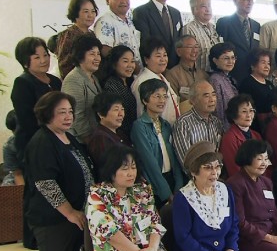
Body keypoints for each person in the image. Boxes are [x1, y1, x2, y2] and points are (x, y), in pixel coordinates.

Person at [86, 145, 193, 251]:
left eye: (133, 167)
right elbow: (110, 234)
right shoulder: (97, 196)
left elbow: (155, 222)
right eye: (125, 169)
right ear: (111, 171)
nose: (131, 173)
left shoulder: (142, 191)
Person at [24, 91, 95, 251]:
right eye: (61, 112)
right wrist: (70, 212)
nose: (68, 117)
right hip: (54, 221)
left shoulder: (67, 137)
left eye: (70, 112)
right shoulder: (42, 142)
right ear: (47, 114)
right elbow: (46, 184)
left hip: (75, 219)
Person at [172, 142, 258, 251]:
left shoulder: (224, 190)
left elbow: (233, 224)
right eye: (208, 167)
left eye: (217, 166)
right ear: (194, 171)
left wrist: (231, 248)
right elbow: (183, 237)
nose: (215, 172)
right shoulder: (183, 198)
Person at [131, 79, 185, 208]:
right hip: (154, 185)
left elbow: (175, 155)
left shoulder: (166, 125)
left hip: (171, 178)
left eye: (165, 96)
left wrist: (179, 184)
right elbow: (149, 162)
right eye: (157, 96)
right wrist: (166, 193)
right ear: (145, 100)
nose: (162, 100)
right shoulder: (139, 126)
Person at [11, 37, 62, 162]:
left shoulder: (55, 81)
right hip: (35, 144)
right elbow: (27, 120)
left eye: (45, 55)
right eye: (37, 57)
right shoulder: (22, 83)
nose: (44, 60)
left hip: (58, 138)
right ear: (25, 61)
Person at [133, 0, 183, 68]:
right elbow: (145, 42)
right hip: (154, 66)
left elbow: (179, 40)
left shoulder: (176, 13)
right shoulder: (141, 12)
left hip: (175, 67)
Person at [172, 80, 224, 172]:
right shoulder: (183, 123)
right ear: (192, 100)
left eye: (213, 94)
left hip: (215, 177)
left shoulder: (217, 122)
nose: (212, 99)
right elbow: (186, 162)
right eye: (206, 96)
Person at [61, 34, 103, 144]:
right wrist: (90, 140)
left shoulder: (94, 77)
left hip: (95, 136)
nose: (97, 58)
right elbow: (76, 115)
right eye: (92, 54)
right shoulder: (74, 79)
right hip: (80, 140)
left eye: (98, 54)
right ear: (80, 56)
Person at [131, 37, 180, 125]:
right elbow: (143, 113)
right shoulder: (143, 81)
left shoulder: (161, 76)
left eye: (165, 55)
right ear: (146, 59)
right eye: (158, 56)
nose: (163, 59)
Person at [216, 0, 261, 83]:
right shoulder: (224, 22)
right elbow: (220, 49)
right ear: (235, 1)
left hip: (253, 74)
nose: (250, 3)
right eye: (246, 0)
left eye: (251, 0)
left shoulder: (256, 25)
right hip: (233, 72)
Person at [94, 0, 142, 72]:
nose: (124, 1)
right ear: (107, 0)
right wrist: (131, 65)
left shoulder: (130, 21)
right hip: (119, 74)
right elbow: (105, 50)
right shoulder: (105, 21)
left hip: (136, 73)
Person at [219, 94, 262, 178]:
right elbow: (234, 169)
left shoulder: (256, 135)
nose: (249, 115)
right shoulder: (229, 138)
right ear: (234, 115)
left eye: (251, 110)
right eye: (244, 111)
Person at [57, 0, 99, 78]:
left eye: (93, 11)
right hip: (76, 81)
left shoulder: (92, 34)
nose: (90, 15)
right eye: (86, 11)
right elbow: (64, 64)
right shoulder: (68, 34)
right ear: (76, 13)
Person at [165, 35, 209, 113]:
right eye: (189, 47)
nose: (194, 50)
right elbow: (172, 104)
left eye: (196, 47)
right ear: (179, 51)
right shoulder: (172, 75)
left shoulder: (203, 74)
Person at [87, 92, 132, 165]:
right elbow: (109, 168)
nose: (121, 114)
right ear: (101, 114)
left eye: (122, 109)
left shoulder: (120, 133)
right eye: (116, 110)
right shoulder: (100, 138)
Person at [102, 45, 137, 136]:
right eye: (125, 61)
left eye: (132, 61)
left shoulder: (131, 82)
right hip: (121, 134)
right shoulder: (111, 85)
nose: (130, 65)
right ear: (114, 64)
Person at [238, 48, 275, 129]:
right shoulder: (247, 83)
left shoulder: (270, 84)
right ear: (253, 65)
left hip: (270, 124)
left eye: (268, 63)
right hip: (255, 126)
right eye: (263, 62)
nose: (267, 66)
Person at [184, 0, 220, 72]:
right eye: (203, 6)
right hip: (198, 75)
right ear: (194, 10)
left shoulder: (214, 28)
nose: (208, 9)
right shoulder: (189, 28)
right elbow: (186, 57)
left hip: (216, 74)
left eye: (209, 6)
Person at [208, 42, 239, 130]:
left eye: (233, 58)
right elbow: (218, 112)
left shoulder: (230, 78)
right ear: (215, 60)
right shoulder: (215, 80)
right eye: (226, 58)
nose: (231, 61)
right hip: (224, 129)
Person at [1, 110, 24, 186]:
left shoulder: (42, 140)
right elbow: (17, 174)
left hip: (44, 174)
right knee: (7, 185)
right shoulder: (9, 147)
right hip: (22, 175)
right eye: (13, 131)